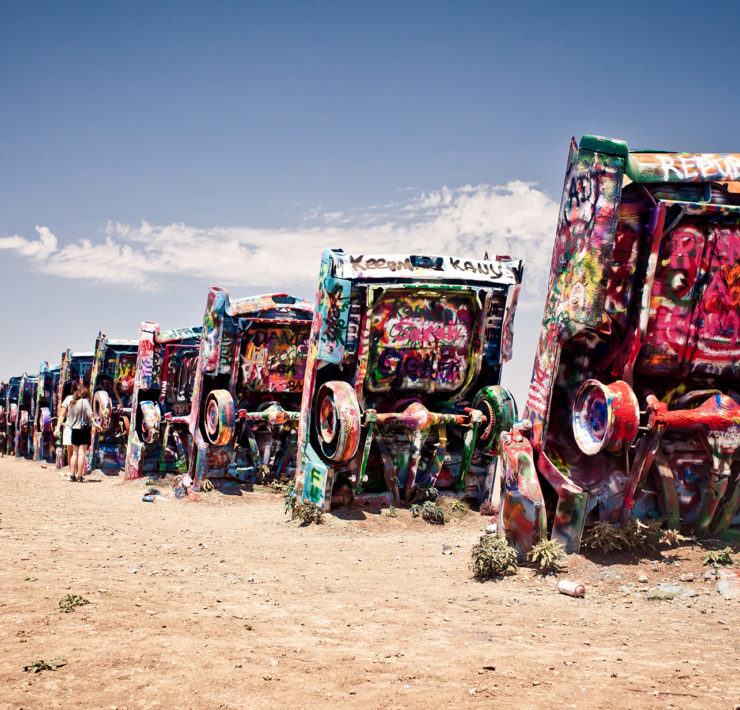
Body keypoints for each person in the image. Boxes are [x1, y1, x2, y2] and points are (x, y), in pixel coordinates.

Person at [55, 385, 100, 482]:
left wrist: (58, 428)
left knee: (73, 453)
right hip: (84, 430)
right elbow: (90, 415)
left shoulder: (71, 401)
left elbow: (63, 415)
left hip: (74, 430)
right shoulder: (85, 402)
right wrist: (95, 424)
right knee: (82, 453)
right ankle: (79, 475)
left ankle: (72, 475)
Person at [54, 382, 78, 471]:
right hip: (79, 428)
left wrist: (57, 428)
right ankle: (76, 473)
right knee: (77, 453)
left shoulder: (68, 399)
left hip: (70, 427)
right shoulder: (84, 399)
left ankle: (72, 473)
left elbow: (62, 415)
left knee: (71, 453)